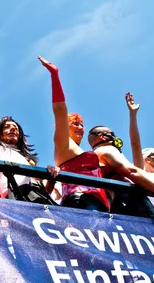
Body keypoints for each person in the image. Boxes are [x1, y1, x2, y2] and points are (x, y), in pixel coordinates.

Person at [39, 56, 109, 211]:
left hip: (99, 203)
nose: (80, 128)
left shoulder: (82, 150)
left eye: (82, 125)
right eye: (75, 124)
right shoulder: (63, 145)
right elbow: (59, 111)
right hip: (81, 200)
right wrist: (54, 75)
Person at [0, 45, 47, 201]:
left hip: (41, 199)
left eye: (16, 128)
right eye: (7, 127)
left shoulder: (27, 160)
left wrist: (50, 176)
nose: (13, 129)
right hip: (16, 199)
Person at [87, 111, 154, 218]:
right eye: (113, 134)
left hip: (121, 202)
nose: (115, 138)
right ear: (102, 137)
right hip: (130, 201)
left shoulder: (98, 155)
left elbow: (135, 145)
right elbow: (132, 171)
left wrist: (132, 115)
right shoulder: (107, 149)